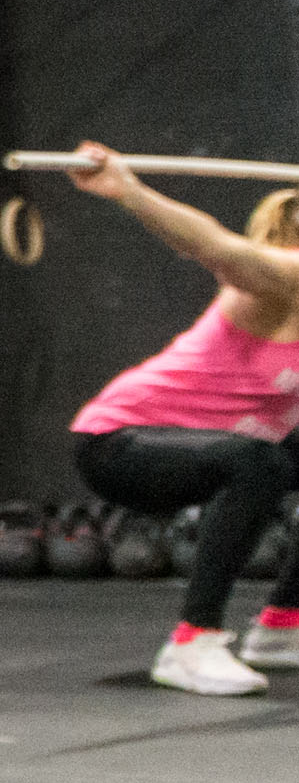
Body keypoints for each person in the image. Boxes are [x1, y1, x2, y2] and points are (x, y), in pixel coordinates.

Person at [57, 143, 299, 695]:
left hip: (212, 448)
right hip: (120, 446)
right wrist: (130, 191)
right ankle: (192, 643)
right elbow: (215, 246)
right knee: (257, 463)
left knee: (264, 459)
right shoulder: (284, 280)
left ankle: (283, 627)